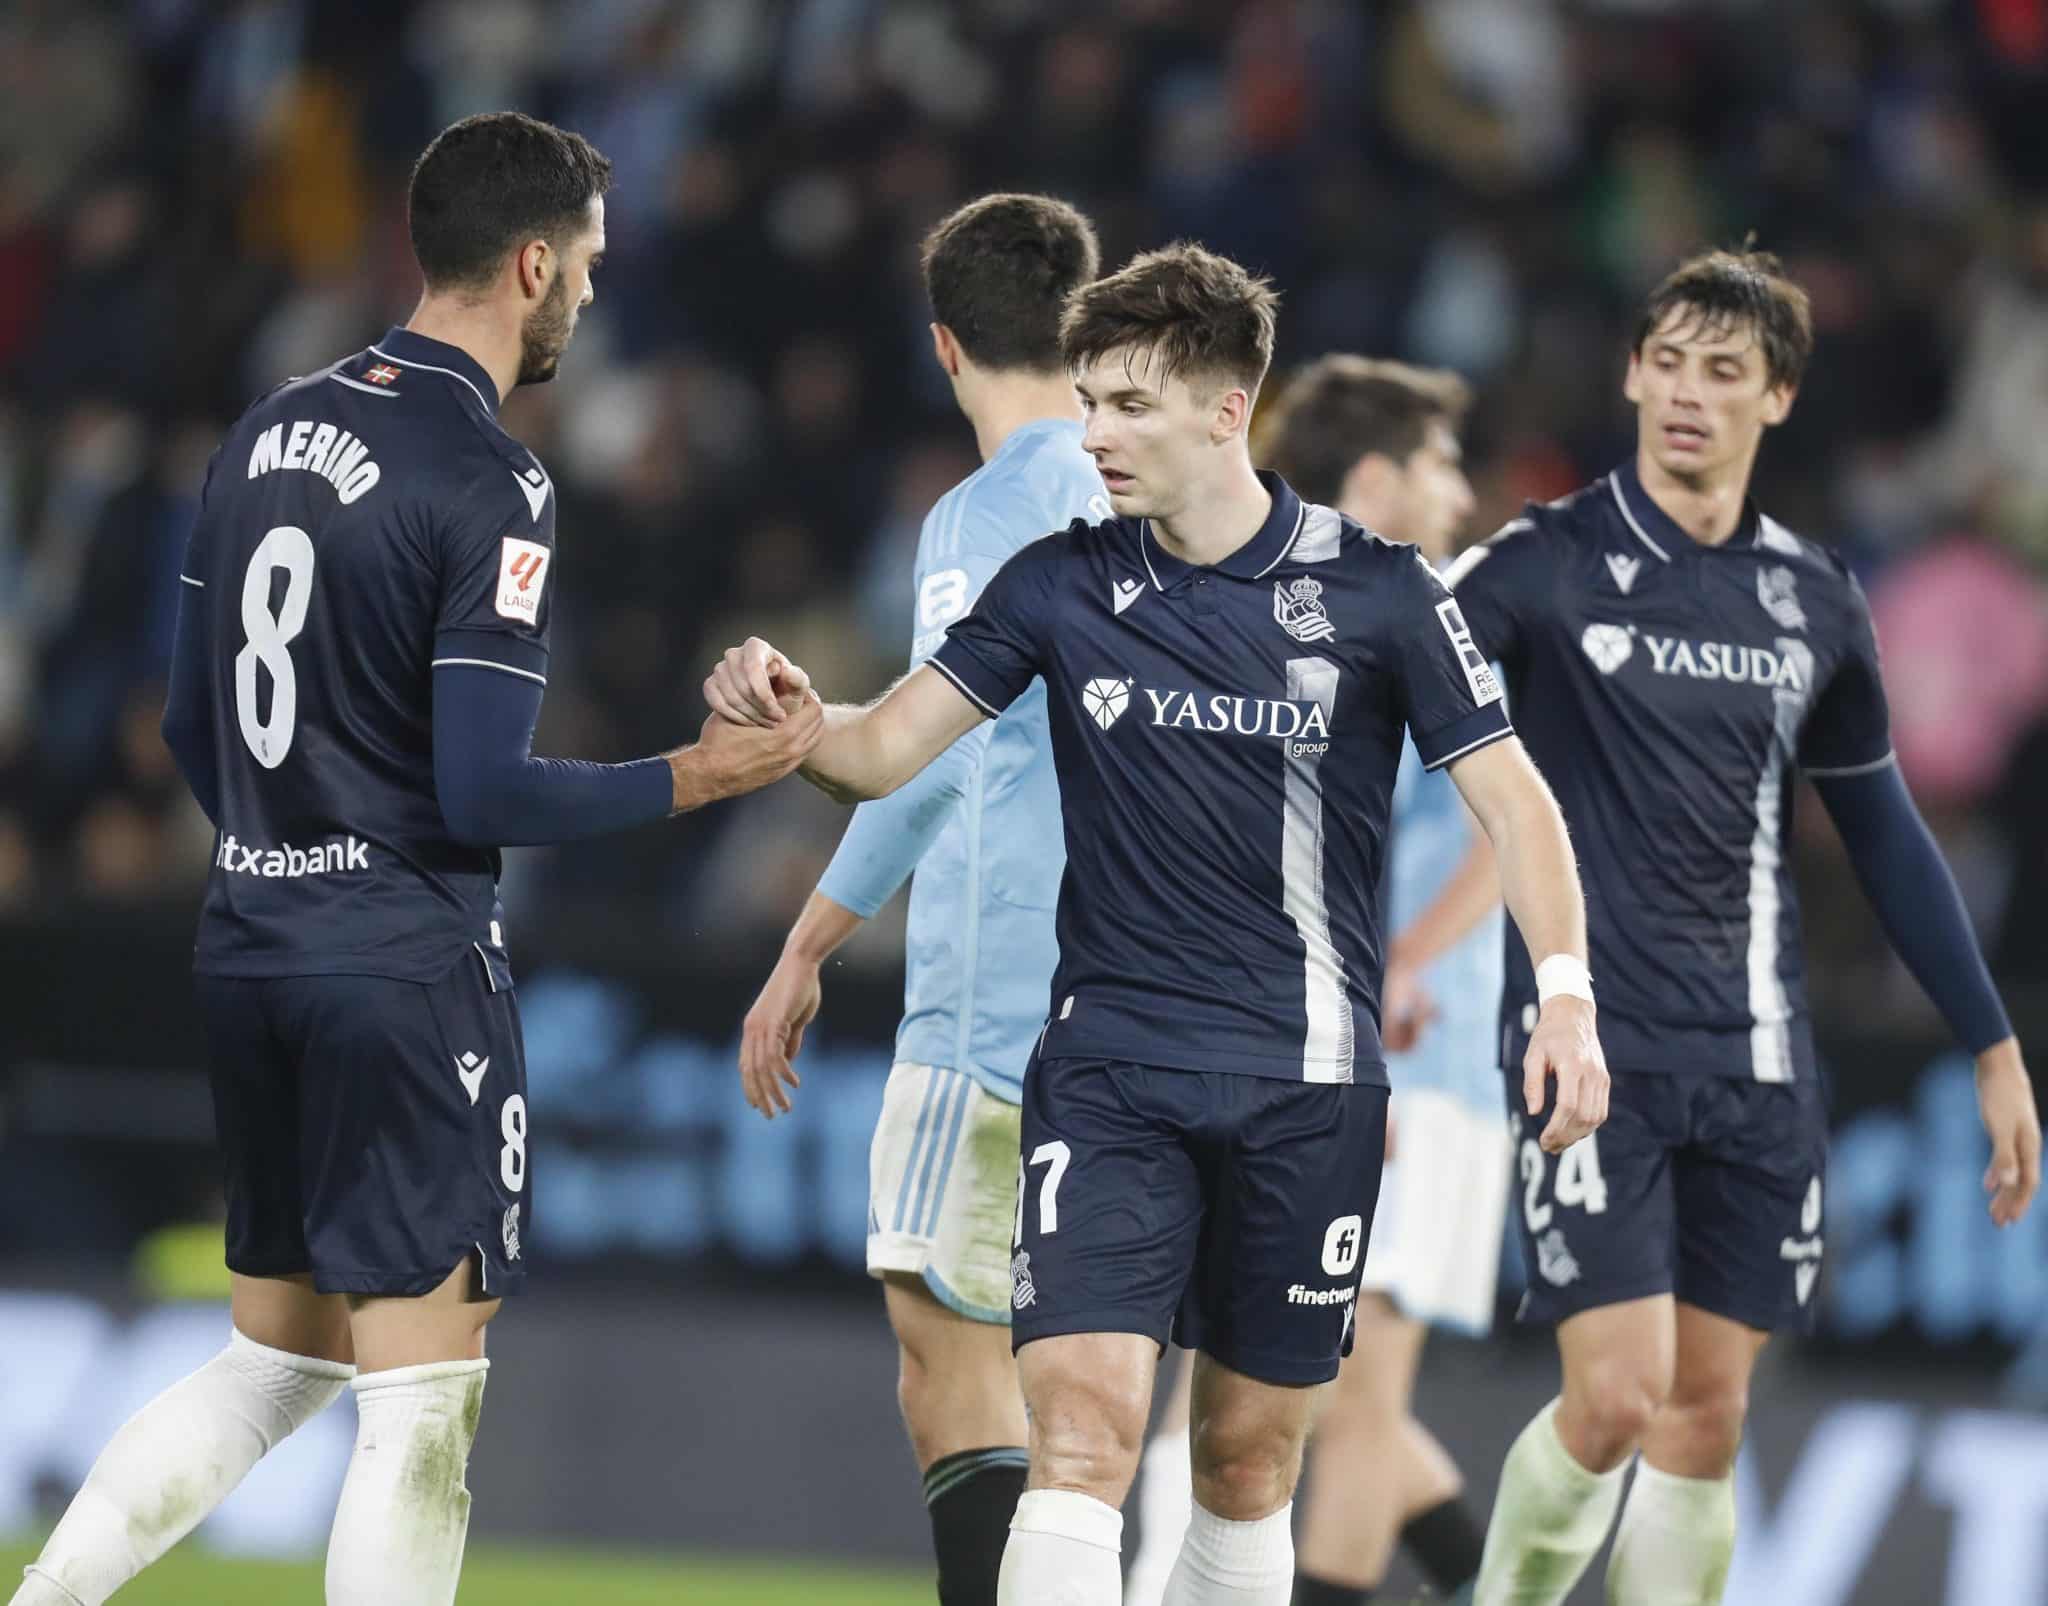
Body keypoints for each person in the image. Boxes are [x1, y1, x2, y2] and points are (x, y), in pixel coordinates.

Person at [705, 242, 1609, 1606]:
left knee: (1249, 1467)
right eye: (1088, 399)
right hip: (1110, 1073)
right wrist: (792, 717)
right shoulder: (1062, 582)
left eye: (1129, 402)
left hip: (1307, 1086)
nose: (1097, 433)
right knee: (1083, 1430)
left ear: (1225, 408)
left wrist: (1567, 998)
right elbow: (887, 750)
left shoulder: (1378, 594)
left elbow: (1520, 809)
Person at [10, 112, 818, 1606]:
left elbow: (191, 720)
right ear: (527, 264)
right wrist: (699, 775)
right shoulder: (489, 479)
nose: (586, 293)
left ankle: (48, 1593)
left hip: (249, 939)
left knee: (279, 1354)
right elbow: (480, 786)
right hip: (399, 967)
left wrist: (287, 844)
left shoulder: (262, 428)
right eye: (579, 264)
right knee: (424, 1397)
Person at [1447, 247, 2043, 1606]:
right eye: (1667, 362)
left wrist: (1991, 1042)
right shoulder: (1542, 565)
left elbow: (1883, 830)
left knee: (1704, 1415)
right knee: (1614, 1396)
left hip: (1762, 1060)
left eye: (1724, 372)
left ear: (1777, 397)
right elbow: (1387, 699)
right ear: (1631, 373)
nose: (1687, 394)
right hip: (1591, 1052)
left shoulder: (1815, 597)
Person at [736, 191, 1105, 1606]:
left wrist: (807, 941)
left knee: (952, 1373)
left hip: (994, 1010)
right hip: (1142, 1017)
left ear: (943, 349)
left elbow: (926, 752)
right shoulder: (1168, 494)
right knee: (1095, 1404)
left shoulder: (984, 514)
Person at [1126, 357, 1504, 1606]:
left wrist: (1398, 963)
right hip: (1353, 1060)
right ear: (1383, 476)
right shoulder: (1355, 613)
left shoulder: (1440, 612)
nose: (1460, 489)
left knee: (1339, 1396)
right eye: (1441, 463)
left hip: (1415, 1064)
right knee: (1283, 1380)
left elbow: (1518, 828)